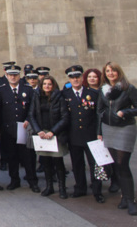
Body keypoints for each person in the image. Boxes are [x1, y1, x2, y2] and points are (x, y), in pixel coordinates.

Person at [97, 61, 137, 215]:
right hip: (108, 128)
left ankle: (131, 200)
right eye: (108, 71)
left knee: (123, 163)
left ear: (118, 72)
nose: (111, 73)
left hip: (125, 128)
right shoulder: (103, 90)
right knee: (116, 164)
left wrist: (124, 112)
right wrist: (99, 131)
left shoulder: (128, 88)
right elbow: (100, 110)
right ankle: (125, 198)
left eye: (113, 71)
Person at [62, 65, 103, 203]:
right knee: (77, 164)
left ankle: (97, 191)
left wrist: (99, 133)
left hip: (91, 135)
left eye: (78, 77)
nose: (75, 80)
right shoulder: (65, 95)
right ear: (69, 79)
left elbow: (98, 116)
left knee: (94, 164)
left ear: (81, 78)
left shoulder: (93, 94)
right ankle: (80, 188)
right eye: (72, 78)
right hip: (74, 135)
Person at [0, 64, 39, 192]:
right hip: (8, 129)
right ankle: (14, 180)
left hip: (25, 128)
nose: (13, 77)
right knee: (11, 156)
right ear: (6, 76)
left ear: (19, 75)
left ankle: (32, 181)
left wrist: (28, 120)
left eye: (15, 75)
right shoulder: (1, 90)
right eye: (10, 75)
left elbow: (33, 108)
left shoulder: (28, 89)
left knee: (28, 157)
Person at [28, 76, 69, 198]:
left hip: (55, 133)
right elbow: (31, 114)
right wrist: (38, 130)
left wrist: (53, 131)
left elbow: (65, 117)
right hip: (42, 133)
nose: (47, 86)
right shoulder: (37, 96)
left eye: (49, 84)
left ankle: (62, 188)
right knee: (46, 162)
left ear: (53, 85)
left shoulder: (59, 97)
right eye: (44, 84)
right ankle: (49, 186)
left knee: (58, 162)